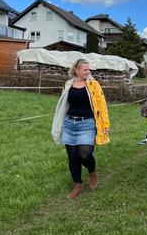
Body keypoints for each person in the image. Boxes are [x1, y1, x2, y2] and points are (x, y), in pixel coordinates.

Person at [51, 58, 110, 199]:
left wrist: (106, 125)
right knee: (72, 157)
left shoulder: (93, 85)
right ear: (76, 71)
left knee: (84, 154)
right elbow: (64, 103)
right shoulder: (68, 84)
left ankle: (92, 171)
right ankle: (77, 186)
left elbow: (102, 105)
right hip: (70, 124)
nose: (88, 72)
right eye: (85, 69)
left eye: (89, 69)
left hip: (87, 125)